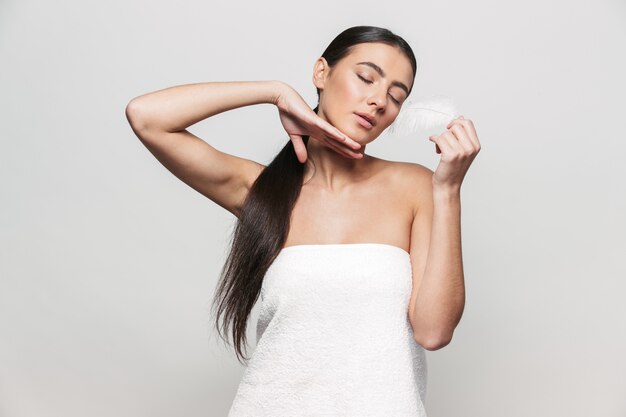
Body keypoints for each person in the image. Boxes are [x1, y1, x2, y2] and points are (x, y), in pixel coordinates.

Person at [125, 25, 480, 417]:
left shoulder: (414, 186)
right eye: (366, 77)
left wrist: (448, 191)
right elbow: (146, 117)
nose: (379, 100)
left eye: (396, 96)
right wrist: (273, 92)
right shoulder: (260, 190)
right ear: (321, 74)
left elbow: (434, 331)